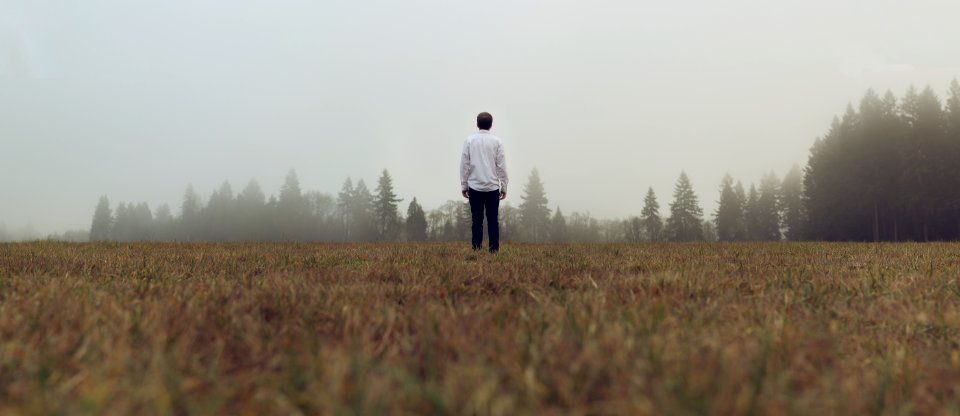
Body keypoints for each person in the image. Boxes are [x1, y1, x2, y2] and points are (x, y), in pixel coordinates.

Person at [460, 112, 508, 253]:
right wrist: (504, 187)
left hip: (475, 186)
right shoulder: (497, 142)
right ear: (491, 125)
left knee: (477, 220)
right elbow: (502, 166)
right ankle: (493, 250)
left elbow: (464, 165)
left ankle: (476, 249)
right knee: (493, 220)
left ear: (477, 124)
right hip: (492, 187)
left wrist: (464, 185)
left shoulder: (469, 141)